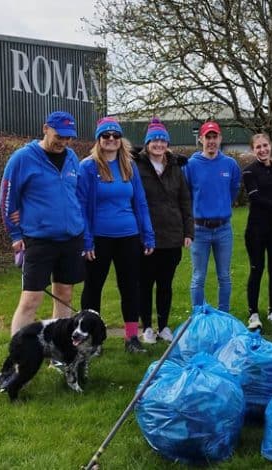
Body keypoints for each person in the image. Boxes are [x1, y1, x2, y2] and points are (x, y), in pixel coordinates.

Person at [0, 111, 85, 336]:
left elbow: (77, 194)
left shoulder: (72, 157)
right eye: (59, 136)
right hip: (38, 240)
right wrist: (15, 235)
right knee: (31, 300)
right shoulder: (22, 158)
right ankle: (18, 357)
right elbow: (7, 197)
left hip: (71, 238)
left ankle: (59, 352)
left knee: (65, 294)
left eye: (69, 137)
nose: (64, 142)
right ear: (45, 128)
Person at [78, 117, 155, 353]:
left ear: (121, 140)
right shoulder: (88, 167)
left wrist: (148, 234)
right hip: (99, 238)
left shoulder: (129, 166)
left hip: (128, 236)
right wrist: (86, 239)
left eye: (115, 136)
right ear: (99, 140)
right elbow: (80, 206)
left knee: (130, 287)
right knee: (93, 288)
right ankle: (93, 339)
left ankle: (131, 338)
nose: (111, 140)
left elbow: (140, 202)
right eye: (106, 136)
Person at [134, 117, 194, 344]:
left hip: (172, 234)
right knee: (145, 283)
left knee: (165, 284)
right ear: (148, 143)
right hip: (146, 236)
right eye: (154, 141)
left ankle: (164, 325)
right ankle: (147, 327)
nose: (158, 145)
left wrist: (188, 231)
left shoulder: (175, 167)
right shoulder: (137, 166)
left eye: (162, 140)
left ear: (167, 144)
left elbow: (185, 200)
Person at [183, 121, 241, 313]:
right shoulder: (191, 166)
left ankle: (223, 315)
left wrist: (221, 206)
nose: (211, 141)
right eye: (207, 137)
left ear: (220, 139)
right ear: (201, 139)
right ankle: (197, 317)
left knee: (224, 276)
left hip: (223, 229)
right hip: (199, 230)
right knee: (198, 276)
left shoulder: (230, 165)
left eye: (214, 137)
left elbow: (233, 191)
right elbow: (186, 195)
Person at [242, 133, 272, 330]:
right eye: (258, 147)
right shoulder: (249, 172)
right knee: (256, 269)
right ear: (253, 150)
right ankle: (253, 313)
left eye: (265, 145)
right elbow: (256, 198)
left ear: (271, 146)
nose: (262, 150)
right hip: (256, 229)